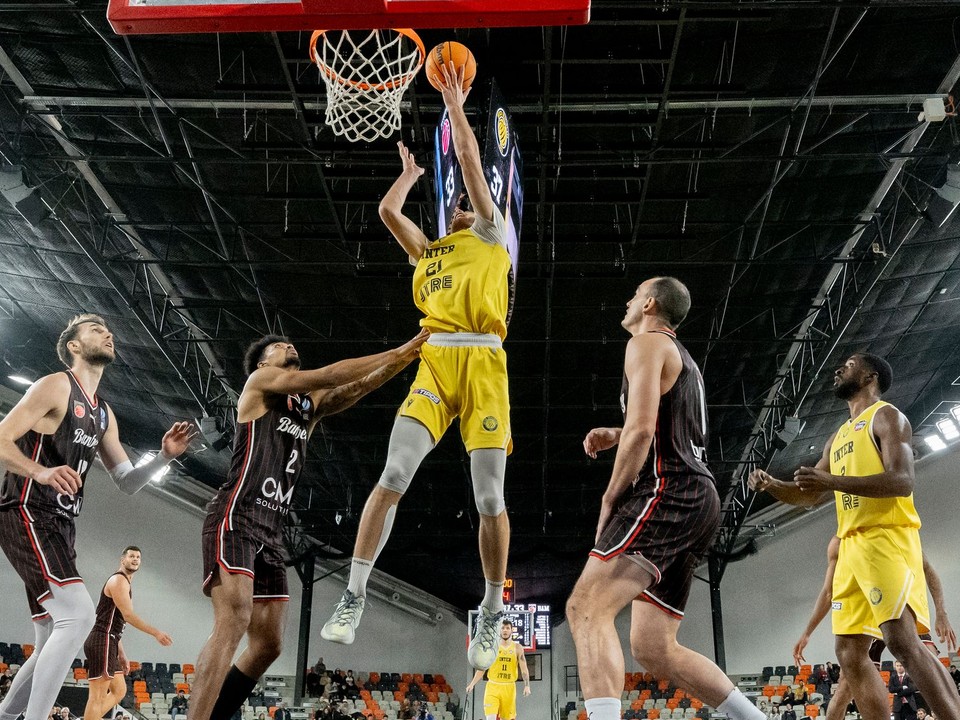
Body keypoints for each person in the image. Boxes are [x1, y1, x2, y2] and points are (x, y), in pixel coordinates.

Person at [321, 63, 515, 671]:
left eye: (466, 200)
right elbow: (385, 214)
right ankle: (353, 595)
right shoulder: (429, 253)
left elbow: (471, 162)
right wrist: (406, 177)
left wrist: (456, 105)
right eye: (453, 202)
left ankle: (489, 609)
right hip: (433, 362)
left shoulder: (490, 233)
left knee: (488, 496)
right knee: (394, 473)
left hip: (483, 362)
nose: (460, 204)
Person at [189, 328, 428, 720]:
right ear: (264, 362)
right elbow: (331, 375)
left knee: (269, 645)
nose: (289, 346)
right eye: (279, 346)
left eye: (290, 343)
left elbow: (353, 387)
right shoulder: (261, 383)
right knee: (233, 620)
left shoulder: (305, 408)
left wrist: (401, 361)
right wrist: (398, 348)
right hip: (237, 515)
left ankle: (217, 714)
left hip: (272, 529)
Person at [566, 278, 765, 720]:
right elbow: (664, 428)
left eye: (635, 294)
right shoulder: (684, 360)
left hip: (669, 489)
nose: (628, 300)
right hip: (700, 498)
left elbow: (643, 433)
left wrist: (610, 496)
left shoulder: (646, 343)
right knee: (653, 647)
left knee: (585, 607)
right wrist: (617, 434)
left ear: (650, 304)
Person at [0, 314, 195, 720]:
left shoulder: (103, 413)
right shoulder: (55, 385)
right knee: (79, 615)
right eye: (95, 328)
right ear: (73, 345)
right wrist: (40, 471)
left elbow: (126, 480)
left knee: (55, 631)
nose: (107, 333)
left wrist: (161, 457)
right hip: (27, 509)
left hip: (61, 524)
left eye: (108, 330)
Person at [749, 353, 960, 720]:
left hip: (886, 537)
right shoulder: (839, 435)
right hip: (851, 546)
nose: (838, 369)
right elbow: (810, 494)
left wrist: (832, 481)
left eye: (848, 364)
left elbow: (902, 481)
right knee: (848, 652)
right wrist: (774, 486)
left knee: (902, 642)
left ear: (869, 377)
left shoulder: (887, 417)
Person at [793, 536, 956, 720]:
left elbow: (926, 568)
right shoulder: (839, 543)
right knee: (846, 685)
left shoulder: (892, 527)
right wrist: (807, 632)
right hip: (866, 614)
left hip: (896, 603)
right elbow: (828, 592)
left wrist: (942, 614)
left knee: (929, 655)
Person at [82, 546, 173, 720]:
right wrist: (156, 633)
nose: (135, 559)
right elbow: (128, 616)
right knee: (97, 698)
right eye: (131, 556)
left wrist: (122, 654)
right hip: (102, 640)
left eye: (138, 557)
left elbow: (116, 623)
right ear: (122, 559)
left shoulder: (125, 583)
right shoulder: (118, 581)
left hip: (110, 640)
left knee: (120, 690)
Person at [465, 619, 531, 720]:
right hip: (493, 686)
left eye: (507, 628)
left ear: (511, 630)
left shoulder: (517, 647)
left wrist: (527, 686)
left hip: (509, 687)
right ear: (499, 630)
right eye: (503, 628)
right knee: (490, 717)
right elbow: (482, 668)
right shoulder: (492, 647)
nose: (505, 630)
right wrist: (472, 684)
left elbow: (524, 668)